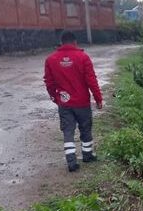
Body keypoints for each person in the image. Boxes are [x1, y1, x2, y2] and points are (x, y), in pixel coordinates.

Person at [44, 31, 103, 172]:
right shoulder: (83, 57)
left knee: (68, 131)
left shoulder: (51, 59)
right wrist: (98, 98)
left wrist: (55, 97)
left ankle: (71, 162)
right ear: (75, 42)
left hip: (65, 103)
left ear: (61, 42)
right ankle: (87, 155)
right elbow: (91, 80)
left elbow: (49, 83)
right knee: (85, 128)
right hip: (82, 102)